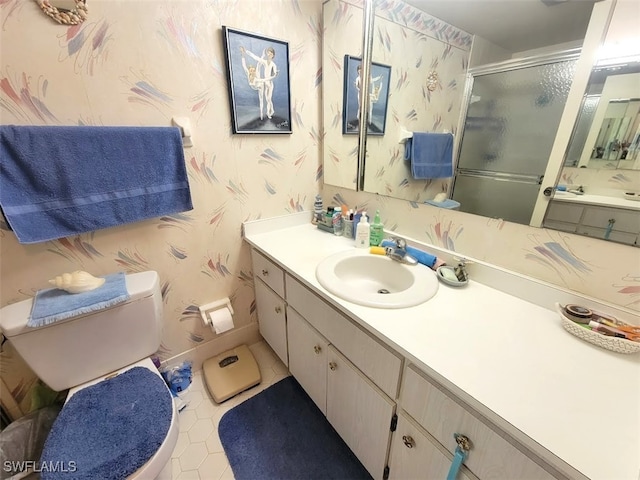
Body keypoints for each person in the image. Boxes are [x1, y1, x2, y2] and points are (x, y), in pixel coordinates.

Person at [243, 46, 278, 119]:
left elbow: (275, 73)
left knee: (269, 99)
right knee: (267, 98)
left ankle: (269, 113)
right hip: (265, 82)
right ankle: (271, 111)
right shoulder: (264, 62)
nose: (269, 55)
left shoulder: (273, 65)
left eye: (270, 53)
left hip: (270, 84)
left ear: (273, 55)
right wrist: (246, 51)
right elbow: (256, 57)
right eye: (268, 53)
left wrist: (275, 74)